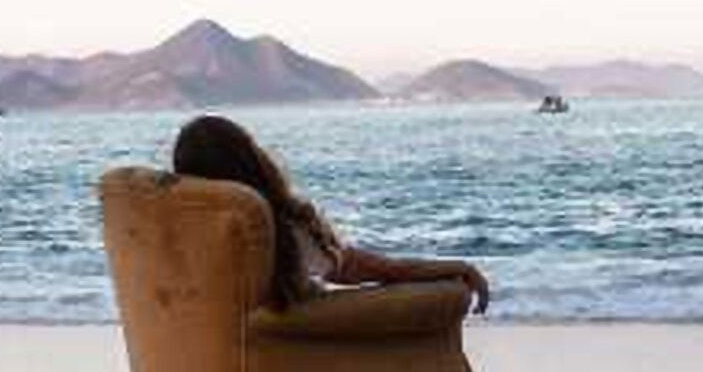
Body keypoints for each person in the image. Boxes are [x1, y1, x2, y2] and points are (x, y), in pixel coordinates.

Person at [171, 114, 489, 314]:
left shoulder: (162, 235)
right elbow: (362, 268)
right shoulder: (269, 230)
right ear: (252, 162)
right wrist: (454, 268)